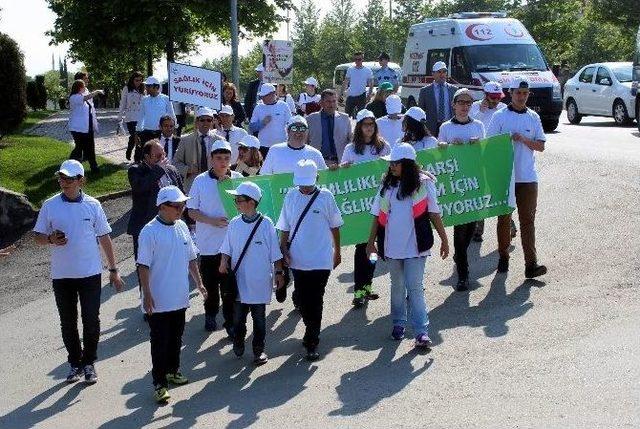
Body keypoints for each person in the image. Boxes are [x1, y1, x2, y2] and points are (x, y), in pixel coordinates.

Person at [33, 159, 125, 384]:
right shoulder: (50, 205)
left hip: (90, 274)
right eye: (61, 178)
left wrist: (113, 269)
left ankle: (89, 363)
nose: (63, 182)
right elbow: (37, 237)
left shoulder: (93, 205)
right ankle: (75, 363)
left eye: (69, 179)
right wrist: (50, 239)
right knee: (68, 322)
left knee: (91, 320)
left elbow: (104, 236)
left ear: (81, 180)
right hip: (62, 276)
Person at [365, 144, 449, 349]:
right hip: (392, 248)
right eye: (391, 163)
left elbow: (434, 213)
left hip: (416, 248)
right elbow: (377, 215)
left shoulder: (424, 184)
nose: (392, 166)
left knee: (415, 288)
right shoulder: (386, 185)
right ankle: (398, 324)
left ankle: (421, 332)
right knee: (397, 288)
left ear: (408, 165)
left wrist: (444, 239)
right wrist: (370, 243)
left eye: (396, 163)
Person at [137, 185, 207, 404]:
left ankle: (173, 370)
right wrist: (147, 294)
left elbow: (191, 258)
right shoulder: (149, 232)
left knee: (176, 337)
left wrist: (200, 284)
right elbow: (143, 266)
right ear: (163, 206)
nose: (181, 209)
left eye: (183, 205)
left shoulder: (182, 227)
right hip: (157, 300)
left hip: (179, 297)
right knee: (160, 341)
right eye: (177, 206)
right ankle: (159, 383)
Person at [276, 159, 344, 361]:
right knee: (304, 299)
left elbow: (335, 225)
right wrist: (283, 249)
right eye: (301, 183)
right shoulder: (291, 196)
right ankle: (310, 327)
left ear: (317, 178)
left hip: (321, 258)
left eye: (308, 182)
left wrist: (337, 251)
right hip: (298, 258)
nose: (305, 187)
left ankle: (312, 339)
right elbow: (285, 226)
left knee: (316, 299)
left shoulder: (326, 197)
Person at [487, 76, 547, 279]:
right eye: (518, 93)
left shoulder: (533, 116)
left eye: (525, 93)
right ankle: (503, 256)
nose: (522, 97)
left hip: (528, 178)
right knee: (504, 219)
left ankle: (531, 265)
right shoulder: (499, 116)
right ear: (510, 94)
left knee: (528, 222)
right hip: (506, 176)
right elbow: (489, 146)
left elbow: (541, 145)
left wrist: (523, 139)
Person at [219, 182, 285, 366]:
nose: (236, 203)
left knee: (259, 319)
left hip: (260, 281)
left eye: (238, 200)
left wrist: (279, 273)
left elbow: (275, 253)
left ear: (251, 202)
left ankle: (258, 350)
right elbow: (227, 248)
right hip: (239, 282)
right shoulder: (234, 223)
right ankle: (239, 340)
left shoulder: (266, 224)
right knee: (238, 319)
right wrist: (224, 261)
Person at [187, 140, 243, 336]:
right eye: (218, 158)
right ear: (211, 159)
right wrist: (210, 220)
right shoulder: (200, 181)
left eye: (226, 158)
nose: (223, 162)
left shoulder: (237, 178)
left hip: (231, 245)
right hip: (209, 245)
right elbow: (191, 211)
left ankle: (230, 324)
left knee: (229, 288)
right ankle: (210, 313)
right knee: (211, 285)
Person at [340, 109, 391, 307]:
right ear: (359, 127)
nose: (368, 128)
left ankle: (367, 286)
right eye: (365, 124)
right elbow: (344, 176)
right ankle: (359, 290)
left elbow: (391, 169)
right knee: (362, 248)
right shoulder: (351, 149)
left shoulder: (384, 146)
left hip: (380, 204)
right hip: (360, 208)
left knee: (374, 249)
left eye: (372, 124)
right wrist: (342, 168)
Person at [437, 88, 486, 291]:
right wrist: (446, 146)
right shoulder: (446, 127)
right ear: (454, 105)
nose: (465, 106)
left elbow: (487, 154)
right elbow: (439, 155)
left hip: (474, 184)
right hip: (456, 186)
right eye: (461, 103)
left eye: (468, 103)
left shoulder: (479, 126)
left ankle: (460, 254)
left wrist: (479, 145)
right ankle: (463, 275)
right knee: (459, 229)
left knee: (472, 226)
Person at [127, 140, 184, 270]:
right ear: (147, 157)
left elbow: (181, 194)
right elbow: (139, 187)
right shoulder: (136, 170)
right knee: (146, 266)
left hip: (170, 225)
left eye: (163, 154)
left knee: (167, 266)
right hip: (145, 226)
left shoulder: (171, 170)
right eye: (158, 156)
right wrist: (158, 170)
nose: (162, 158)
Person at [469, 81, 509, 242]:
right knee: (480, 192)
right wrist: (480, 112)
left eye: (498, 97)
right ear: (485, 95)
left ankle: (508, 223)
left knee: (498, 191)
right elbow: (468, 124)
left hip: (497, 156)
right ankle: (478, 229)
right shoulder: (474, 108)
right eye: (492, 97)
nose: (496, 100)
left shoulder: (503, 109)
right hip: (478, 155)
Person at [173, 107, 222, 192]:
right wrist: (188, 170)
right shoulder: (185, 140)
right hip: (193, 186)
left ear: (212, 122)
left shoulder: (219, 141)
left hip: (214, 185)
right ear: (197, 121)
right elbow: (176, 163)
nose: (205, 123)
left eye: (209, 120)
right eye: (202, 120)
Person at [260, 115, 327, 175]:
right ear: (288, 131)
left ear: (307, 132)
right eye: (294, 128)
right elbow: (264, 176)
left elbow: (324, 177)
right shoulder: (275, 150)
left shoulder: (315, 154)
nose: (298, 131)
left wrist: (333, 170)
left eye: (302, 128)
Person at [307, 89, 353, 167]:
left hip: (340, 163)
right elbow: (305, 143)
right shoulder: (310, 119)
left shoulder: (345, 119)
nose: (331, 104)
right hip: (318, 163)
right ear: (321, 102)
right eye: (328, 101)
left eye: (334, 101)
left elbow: (351, 141)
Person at [136, 76, 176, 163]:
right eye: (146, 86)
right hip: (146, 133)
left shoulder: (165, 99)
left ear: (156, 87)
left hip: (161, 133)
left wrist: (173, 129)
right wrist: (137, 133)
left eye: (149, 86)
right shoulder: (144, 100)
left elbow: (171, 115)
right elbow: (141, 117)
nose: (146, 88)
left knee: (160, 156)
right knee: (146, 157)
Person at [68, 79, 103, 174]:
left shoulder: (82, 96)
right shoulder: (74, 97)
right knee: (79, 148)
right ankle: (70, 166)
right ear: (79, 88)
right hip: (77, 128)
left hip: (87, 127)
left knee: (90, 147)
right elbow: (87, 97)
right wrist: (96, 92)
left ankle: (94, 167)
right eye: (83, 86)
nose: (85, 87)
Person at [249, 83, 292, 158]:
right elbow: (251, 127)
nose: (262, 98)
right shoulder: (258, 107)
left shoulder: (283, 106)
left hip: (281, 145)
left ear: (273, 94)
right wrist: (262, 123)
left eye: (264, 96)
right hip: (263, 146)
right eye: (261, 96)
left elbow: (290, 125)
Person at [418, 61, 457, 137]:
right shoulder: (425, 91)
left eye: (444, 72)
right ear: (433, 74)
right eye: (439, 72)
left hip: (450, 126)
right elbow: (421, 112)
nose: (442, 74)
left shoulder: (454, 90)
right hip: (432, 129)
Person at [118, 71, 145, 161]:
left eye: (140, 80)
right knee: (135, 136)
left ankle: (137, 158)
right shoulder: (127, 88)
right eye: (136, 80)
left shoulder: (143, 89)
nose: (138, 82)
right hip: (130, 117)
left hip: (141, 117)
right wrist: (120, 117)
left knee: (139, 137)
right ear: (132, 80)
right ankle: (130, 150)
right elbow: (122, 103)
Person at [343, 52, 374, 118]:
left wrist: (369, 95)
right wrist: (341, 93)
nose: (357, 61)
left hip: (361, 96)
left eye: (359, 59)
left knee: (361, 117)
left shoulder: (367, 70)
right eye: (355, 59)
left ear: (362, 59)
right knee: (346, 116)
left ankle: (359, 128)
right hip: (351, 95)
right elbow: (345, 81)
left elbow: (371, 84)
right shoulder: (350, 69)